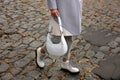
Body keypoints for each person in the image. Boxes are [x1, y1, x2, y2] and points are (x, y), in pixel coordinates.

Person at [36, 0, 83, 73]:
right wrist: (52, 7)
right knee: (56, 38)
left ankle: (65, 62)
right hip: (61, 7)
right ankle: (41, 51)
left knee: (69, 37)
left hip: (75, 7)